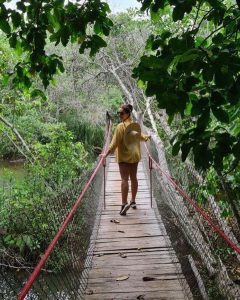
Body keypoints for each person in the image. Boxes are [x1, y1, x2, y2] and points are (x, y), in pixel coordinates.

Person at [104, 104, 150, 216]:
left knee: (124, 179)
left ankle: (124, 203)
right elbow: (140, 136)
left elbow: (114, 143)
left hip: (124, 157)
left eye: (121, 113)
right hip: (134, 156)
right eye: (118, 113)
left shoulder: (120, 127)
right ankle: (133, 201)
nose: (119, 115)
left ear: (127, 113)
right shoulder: (135, 125)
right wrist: (147, 137)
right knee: (134, 178)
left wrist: (105, 154)